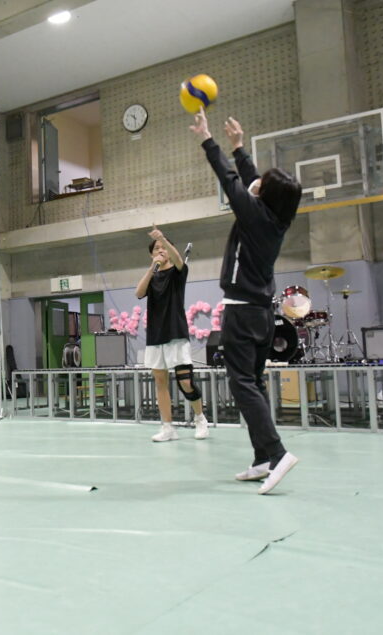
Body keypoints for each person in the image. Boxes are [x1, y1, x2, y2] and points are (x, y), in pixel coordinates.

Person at [191, 109, 302, 494]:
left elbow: (231, 181)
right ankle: (261, 459)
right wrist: (240, 147)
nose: (257, 184)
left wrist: (209, 140)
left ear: (265, 196)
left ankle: (277, 452)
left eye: (262, 185)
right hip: (262, 315)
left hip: (241, 315)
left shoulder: (254, 215)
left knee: (241, 384)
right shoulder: (275, 218)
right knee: (252, 383)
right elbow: (253, 183)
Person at [135, 226, 209, 442]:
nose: (160, 250)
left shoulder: (178, 272)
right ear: (151, 254)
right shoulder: (153, 275)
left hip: (176, 333)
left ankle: (200, 418)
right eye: (156, 248)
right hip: (155, 336)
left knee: (185, 382)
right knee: (160, 382)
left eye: (164, 247)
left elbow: (178, 258)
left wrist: (162, 239)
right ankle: (168, 428)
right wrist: (152, 267)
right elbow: (139, 292)